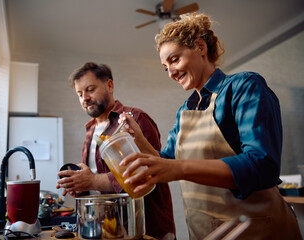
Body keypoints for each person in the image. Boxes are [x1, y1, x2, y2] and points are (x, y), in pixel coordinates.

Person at [119, 13, 302, 240]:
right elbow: (167, 163)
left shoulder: (243, 86)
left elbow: (262, 164)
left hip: (258, 230)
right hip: (207, 233)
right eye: (165, 67)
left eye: (174, 60)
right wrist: (138, 138)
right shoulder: (185, 111)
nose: (171, 73)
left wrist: (178, 169)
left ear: (200, 47)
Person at [56, 62, 176, 239]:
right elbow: (94, 181)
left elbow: (148, 173)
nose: (84, 98)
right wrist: (78, 185)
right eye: (79, 94)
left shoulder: (135, 119)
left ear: (109, 85)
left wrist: (91, 181)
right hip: (108, 230)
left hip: (146, 228)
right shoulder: (90, 130)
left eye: (90, 89)